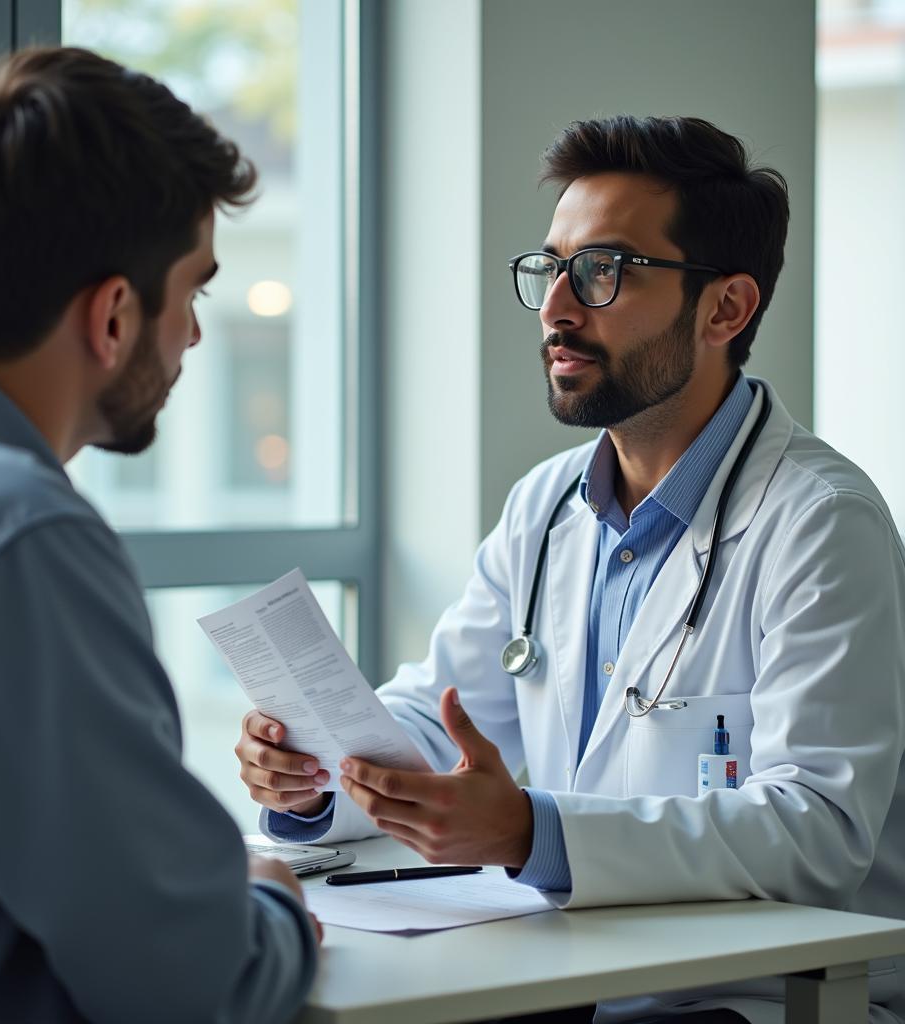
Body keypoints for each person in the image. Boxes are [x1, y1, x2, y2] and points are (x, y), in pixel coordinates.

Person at [236, 115, 905, 1024]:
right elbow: (442, 721)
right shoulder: (548, 506)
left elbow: (819, 831)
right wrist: (319, 776)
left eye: (605, 271)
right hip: (576, 974)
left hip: (746, 1000)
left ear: (726, 309)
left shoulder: (822, 524)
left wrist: (530, 832)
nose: (557, 307)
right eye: (552, 267)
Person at [0, 47, 320, 1023]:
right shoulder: (14, 540)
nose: (195, 338)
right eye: (194, 292)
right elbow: (203, 985)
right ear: (114, 315)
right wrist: (268, 900)